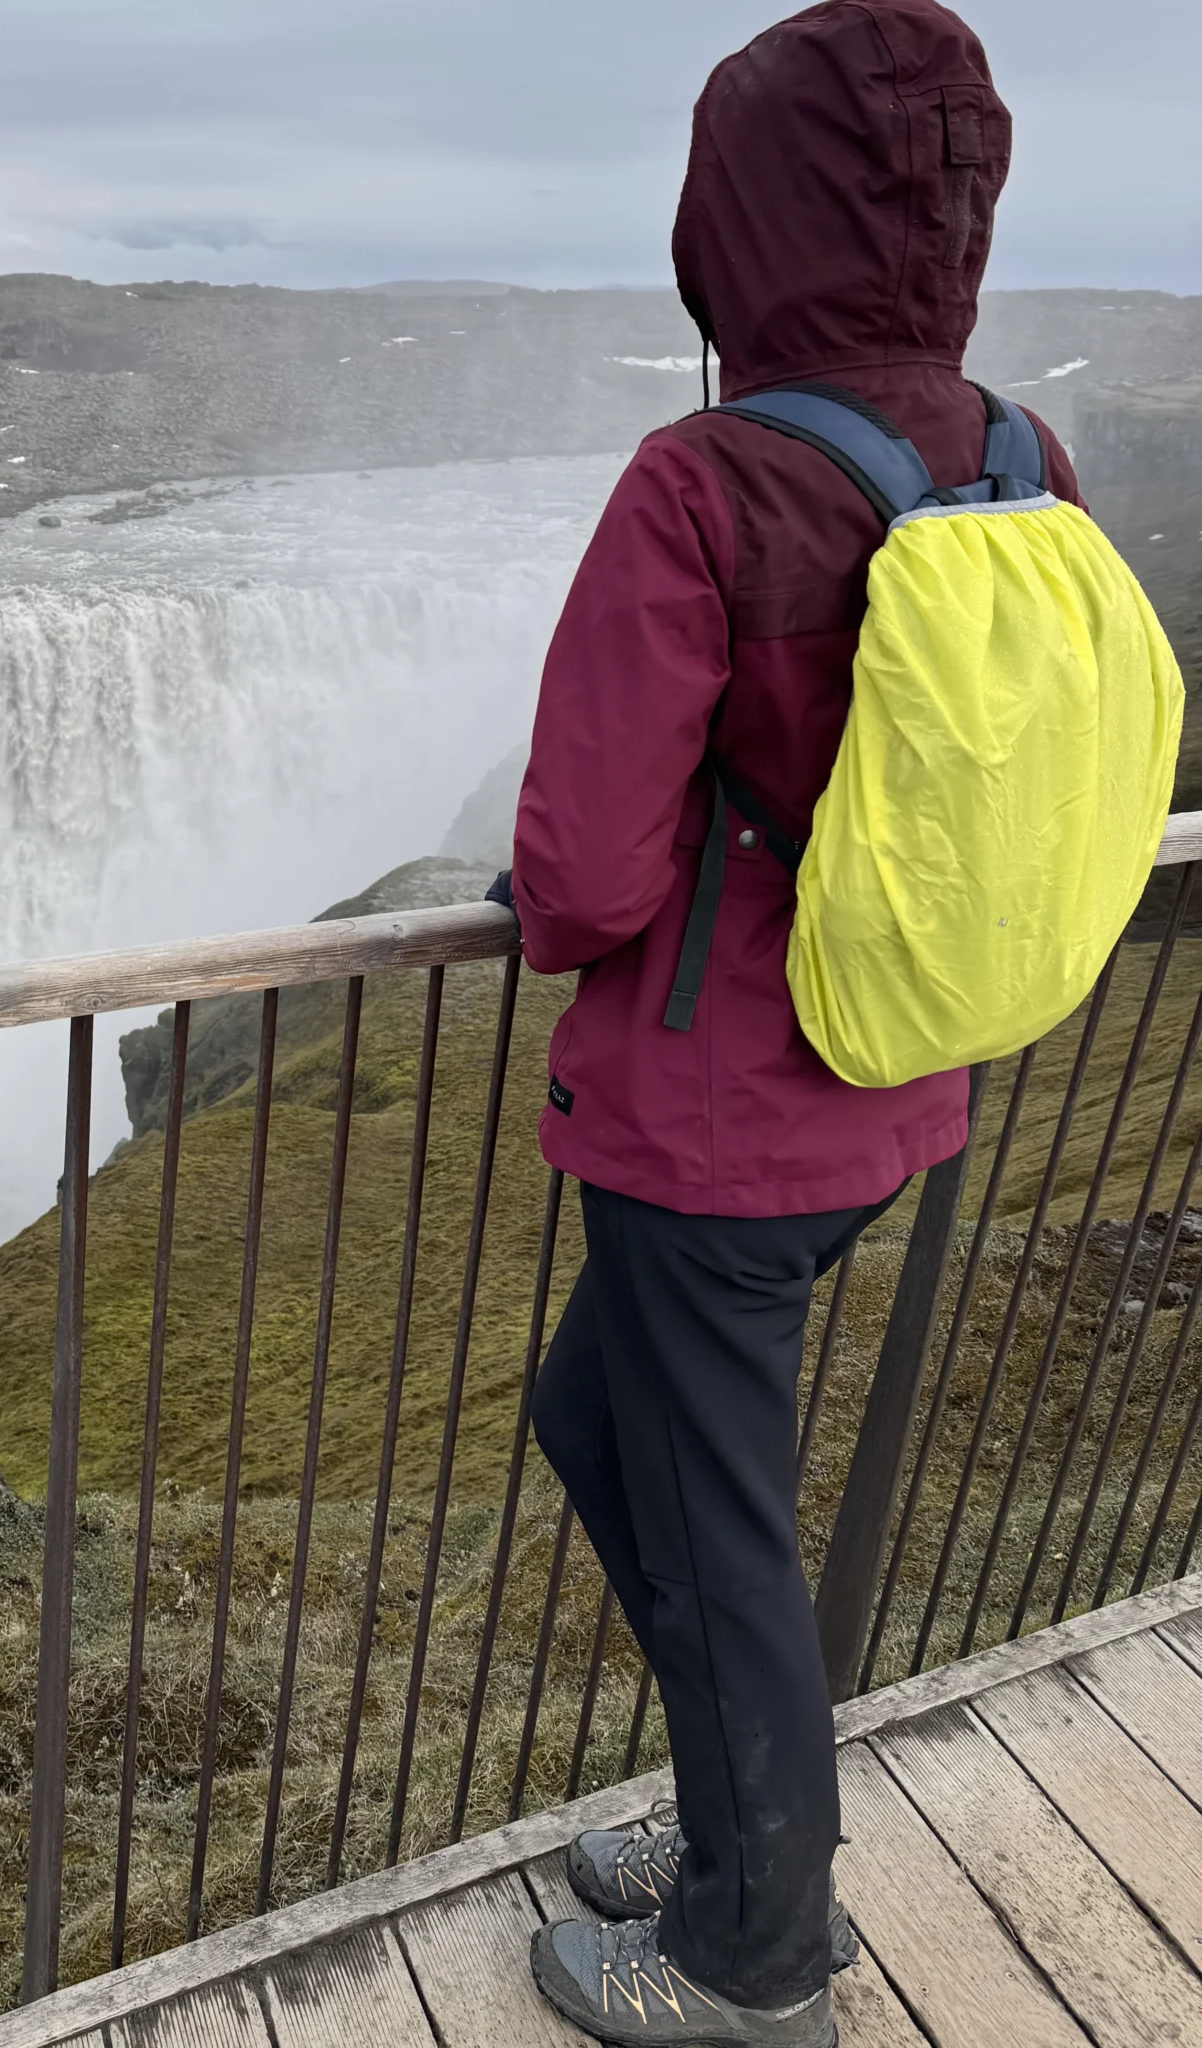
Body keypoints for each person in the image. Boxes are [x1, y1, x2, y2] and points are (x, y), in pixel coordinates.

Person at [505, 5, 1079, 2043]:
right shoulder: (1011, 453)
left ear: (728, 224)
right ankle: (754, 1825)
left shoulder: (705, 485)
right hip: (892, 1085)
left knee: (715, 1523)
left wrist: (545, 888)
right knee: (602, 1427)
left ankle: (760, 1951)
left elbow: (578, 875)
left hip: (709, 1132)